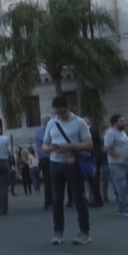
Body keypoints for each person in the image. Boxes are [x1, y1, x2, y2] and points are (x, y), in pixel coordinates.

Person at [42, 96, 92, 245]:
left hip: (73, 163)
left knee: (78, 197)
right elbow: (44, 144)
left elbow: (89, 144)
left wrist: (69, 147)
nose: (60, 116)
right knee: (57, 198)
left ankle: (84, 231)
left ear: (68, 108)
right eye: (57, 112)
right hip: (55, 162)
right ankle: (58, 231)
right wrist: (50, 149)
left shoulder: (79, 122)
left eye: (62, 112)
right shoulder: (51, 123)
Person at [104, 114, 128, 217]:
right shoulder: (111, 133)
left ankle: (122, 207)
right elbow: (107, 148)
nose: (124, 123)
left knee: (126, 187)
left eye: (123, 121)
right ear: (115, 123)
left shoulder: (123, 134)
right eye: (121, 121)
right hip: (116, 164)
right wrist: (118, 156)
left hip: (127, 163)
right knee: (121, 185)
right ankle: (126, 207)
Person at [82, 117, 105, 208]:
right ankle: (95, 198)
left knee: (94, 179)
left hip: (94, 157)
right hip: (91, 157)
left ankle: (97, 199)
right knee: (93, 179)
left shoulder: (92, 130)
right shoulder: (91, 130)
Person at [35, 115, 53, 209]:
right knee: (49, 180)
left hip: (45, 157)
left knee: (48, 180)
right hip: (47, 157)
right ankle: (49, 201)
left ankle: (49, 201)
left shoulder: (39, 130)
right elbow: (46, 141)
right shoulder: (42, 130)